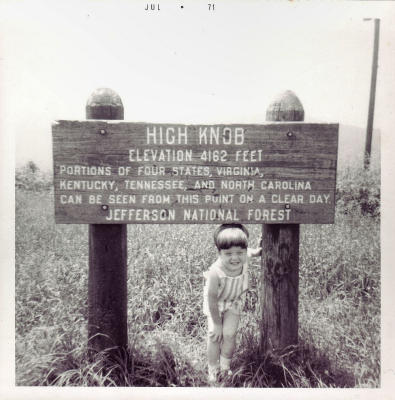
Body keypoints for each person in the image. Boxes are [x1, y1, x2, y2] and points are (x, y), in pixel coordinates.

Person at [203, 223, 262, 383]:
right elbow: (212, 298)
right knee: (215, 335)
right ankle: (213, 369)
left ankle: (225, 367)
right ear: (219, 253)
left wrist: (257, 251)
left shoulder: (243, 257)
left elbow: (249, 252)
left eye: (239, 252)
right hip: (216, 304)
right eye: (228, 253)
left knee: (229, 334)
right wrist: (216, 323)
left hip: (235, 302)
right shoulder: (216, 272)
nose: (235, 258)